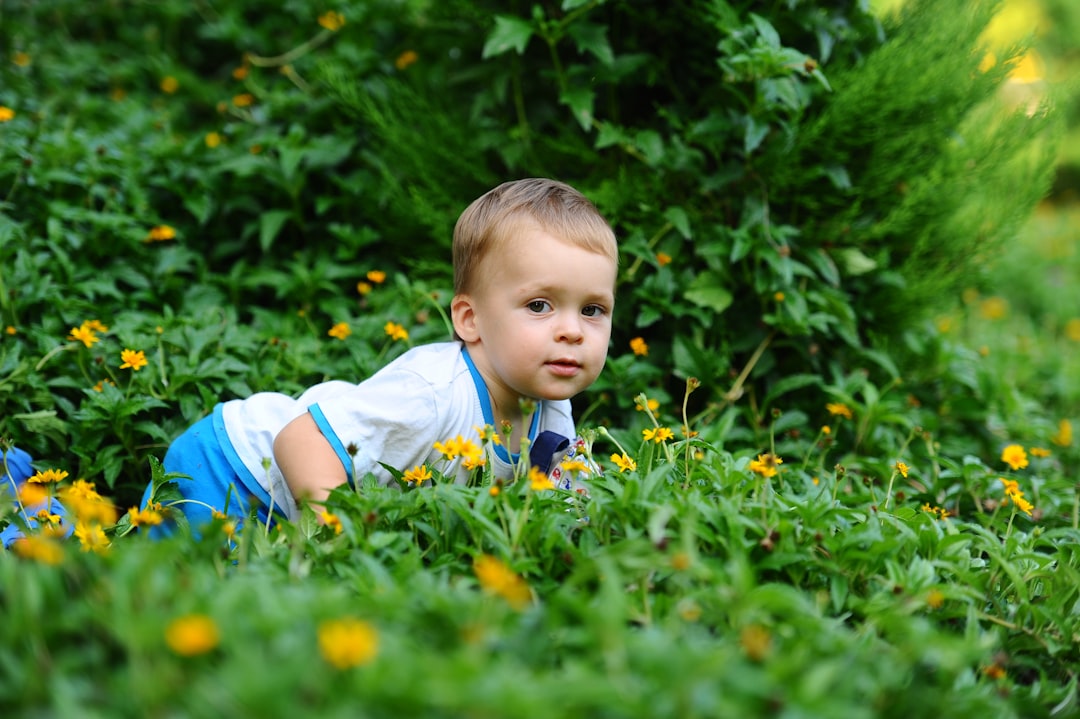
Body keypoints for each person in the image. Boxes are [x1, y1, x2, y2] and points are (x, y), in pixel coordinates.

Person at [134, 177, 619, 537]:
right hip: (233, 472)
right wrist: (343, 541)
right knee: (177, 595)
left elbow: (563, 494)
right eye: (539, 305)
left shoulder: (550, 405)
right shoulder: (432, 394)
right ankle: (60, 529)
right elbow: (299, 442)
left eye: (593, 309)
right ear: (469, 320)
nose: (572, 332)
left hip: (282, 500)